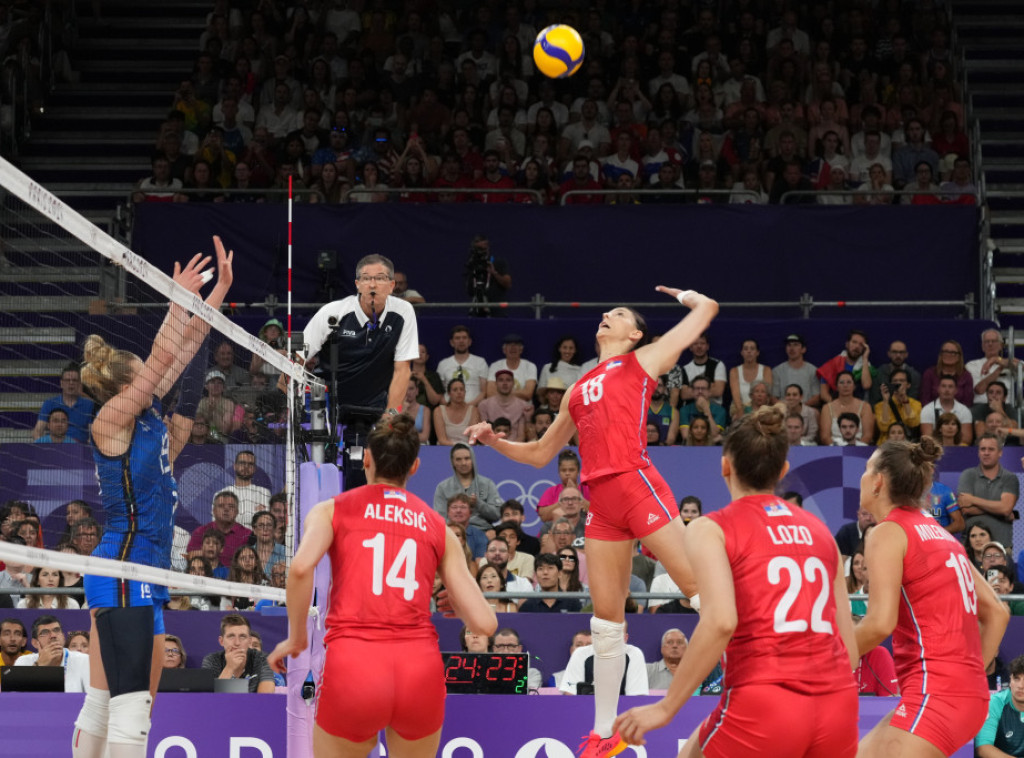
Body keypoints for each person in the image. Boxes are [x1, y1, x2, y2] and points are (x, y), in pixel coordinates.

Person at [468, 286, 719, 757]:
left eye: (618, 313)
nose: (606, 314)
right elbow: (540, 452)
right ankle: (605, 735)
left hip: (636, 485)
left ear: (635, 333)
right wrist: (495, 441)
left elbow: (707, 310)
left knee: (703, 594)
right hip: (600, 502)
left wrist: (686, 296)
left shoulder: (643, 360)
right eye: (607, 311)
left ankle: (761, 677)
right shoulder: (578, 388)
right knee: (605, 622)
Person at [614, 406, 859, 754]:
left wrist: (666, 707)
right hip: (838, 703)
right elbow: (849, 651)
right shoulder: (821, 532)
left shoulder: (711, 528)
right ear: (783, 470)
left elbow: (720, 621)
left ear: (724, 466)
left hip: (766, 700)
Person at [72, 238, 233, 758]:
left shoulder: (146, 417)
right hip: (124, 565)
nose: (154, 375)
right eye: (143, 372)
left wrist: (216, 296)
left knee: (109, 702)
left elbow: (184, 352)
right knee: (131, 706)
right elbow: (164, 356)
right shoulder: (111, 419)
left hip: (146, 567)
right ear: (127, 383)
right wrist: (175, 300)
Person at [267, 413, 496, 758]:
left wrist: (297, 638)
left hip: (354, 665)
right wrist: (459, 603)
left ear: (367, 459)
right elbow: (485, 624)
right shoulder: (438, 526)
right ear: (415, 466)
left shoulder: (332, 510)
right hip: (418, 670)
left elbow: (300, 569)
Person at [854, 438, 1009, 757]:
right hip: (965, 696)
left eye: (867, 469)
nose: (863, 476)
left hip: (936, 695)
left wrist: (821, 658)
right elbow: (998, 612)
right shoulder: (942, 534)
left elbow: (879, 623)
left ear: (878, 481)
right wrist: (967, 680)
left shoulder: (887, 532)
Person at [301, 254, 420, 486]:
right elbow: (297, 357)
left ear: (392, 285)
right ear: (357, 284)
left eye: (380, 278)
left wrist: (391, 414)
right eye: (366, 278)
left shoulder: (403, 312)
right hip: (328, 407)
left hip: (375, 408)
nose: (372, 284)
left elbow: (402, 369)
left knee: (369, 473)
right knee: (320, 473)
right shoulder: (333, 313)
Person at [957, 434, 1020, 551]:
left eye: (991, 449)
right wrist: (1000, 510)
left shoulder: (1009, 478)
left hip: (1002, 547)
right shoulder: (968, 475)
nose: (986, 453)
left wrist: (973, 500)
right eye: (983, 449)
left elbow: (1005, 508)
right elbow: (966, 508)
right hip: (971, 548)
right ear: (978, 452)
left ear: (1000, 453)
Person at [200, 614, 276, 693]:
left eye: (242, 636)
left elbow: (266, 696)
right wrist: (229, 668)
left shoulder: (263, 659)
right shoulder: (211, 660)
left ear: (249, 641)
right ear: (221, 641)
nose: (237, 643)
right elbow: (211, 698)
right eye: (231, 636)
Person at [13, 615, 91, 692]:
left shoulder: (83, 660)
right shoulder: (24, 662)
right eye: (45, 632)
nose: (53, 635)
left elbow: (92, 696)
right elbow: (16, 696)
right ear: (35, 643)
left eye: (56, 630)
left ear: (63, 637)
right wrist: (39, 665)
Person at [976, 654, 1024, 757]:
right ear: (1010, 680)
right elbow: (983, 747)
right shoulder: (995, 702)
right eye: (1016, 679)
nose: (1020, 686)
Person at [32, 364, 94, 442]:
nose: (71, 383)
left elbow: (93, 434)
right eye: (67, 380)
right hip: (55, 446)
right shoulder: (50, 403)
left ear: (80, 384)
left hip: (80, 447)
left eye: (74, 380)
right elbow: (37, 431)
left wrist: (87, 448)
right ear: (61, 383)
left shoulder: (89, 405)